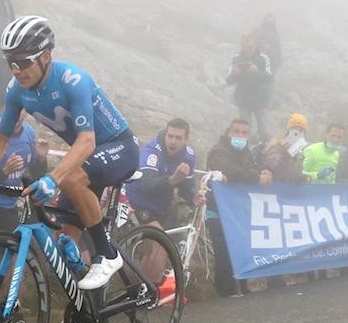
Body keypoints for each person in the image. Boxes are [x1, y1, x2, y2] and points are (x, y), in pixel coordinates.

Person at [0, 15, 138, 323]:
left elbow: (87, 140)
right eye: (11, 62)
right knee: (63, 242)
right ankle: (87, 314)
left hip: (118, 147)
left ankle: (108, 254)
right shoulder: (17, 90)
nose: (16, 70)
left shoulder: (73, 80)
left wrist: (53, 178)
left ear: (45, 56)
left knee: (70, 180)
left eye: (23, 61)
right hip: (86, 157)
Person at [205, 118, 260, 297]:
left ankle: (243, 289)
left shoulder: (247, 153)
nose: (240, 136)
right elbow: (229, 170)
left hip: (238, 211)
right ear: (229, 132)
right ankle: (225, 294)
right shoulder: (218, 151)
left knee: (241, 250)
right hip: (217, 210)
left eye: (244, 133)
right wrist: (253, 176)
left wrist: (259, 173)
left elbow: (254, 169)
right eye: (237, 131)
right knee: (223, 253)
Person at [0, 120, 48, 233]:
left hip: (10, 204)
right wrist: (5, 172)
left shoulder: (29, 133)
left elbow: (37, 173)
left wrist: (41, 158)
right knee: (13, 243)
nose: (17, 115)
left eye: (21, 111)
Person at [126, 118, 198, 228]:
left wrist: (193, 196)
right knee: (157, 235)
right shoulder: (152, 151)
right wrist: (173, 179)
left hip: (163, 206)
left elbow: (187, 185)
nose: (173, 141)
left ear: (185, 140)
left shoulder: (189, 156)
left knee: (177, 234)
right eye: (170, 136)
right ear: (165, 135)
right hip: (139, 201)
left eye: (178, 138)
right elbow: (148, 185)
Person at [226, 33, 274, 140]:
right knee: (244, 132)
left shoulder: (263, 58)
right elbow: (228, 81)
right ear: (241, 45)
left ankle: (265, 148)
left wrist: (257, 71)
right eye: (245, 46)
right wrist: (234, 74)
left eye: (250, 47)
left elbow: (269, 77)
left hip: (261, 100)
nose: (247, 49)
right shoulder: (236, 59)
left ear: (256, 45)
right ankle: (245, 149)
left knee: (264, 132)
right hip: (243, 101)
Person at [260, 113, 309, 183]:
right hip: (276, 187)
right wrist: (286, 152)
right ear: (288, 131)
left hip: (290, 188)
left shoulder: (299, 152)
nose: (298, 133)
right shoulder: (276, 149)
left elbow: (295, 173)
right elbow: (273, 170)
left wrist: (304, 178)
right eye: (294, 129)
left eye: (301, 130)